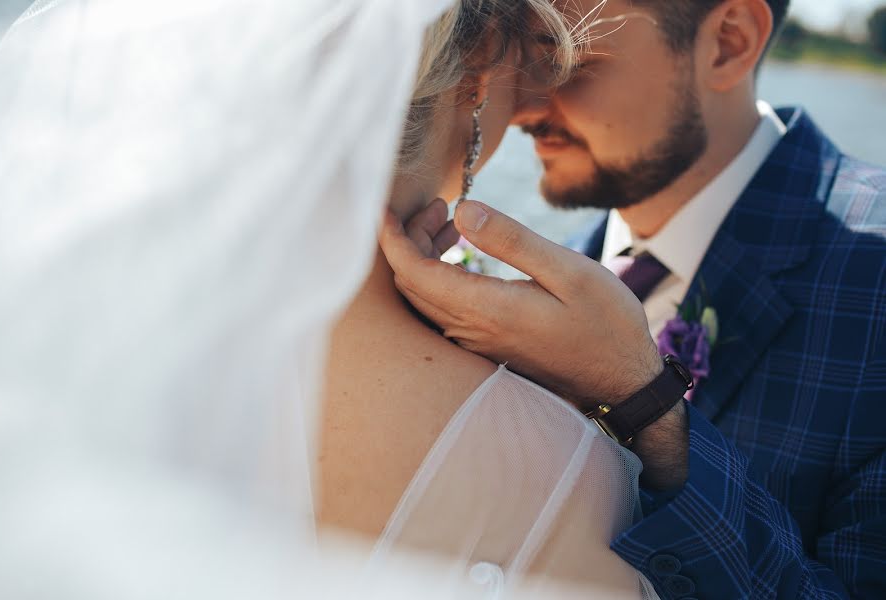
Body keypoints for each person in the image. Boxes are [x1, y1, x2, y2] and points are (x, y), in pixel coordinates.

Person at [380, 0, 886, 598]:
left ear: (728, 41)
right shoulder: (557, 270)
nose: (524, 106)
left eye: (566, 59)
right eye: (521, 61)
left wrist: (641, 400)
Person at [318, 1, 660, 596]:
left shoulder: (131, 331)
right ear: (476, 61)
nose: (535, 103)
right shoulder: (543, 463)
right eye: (539, 49)